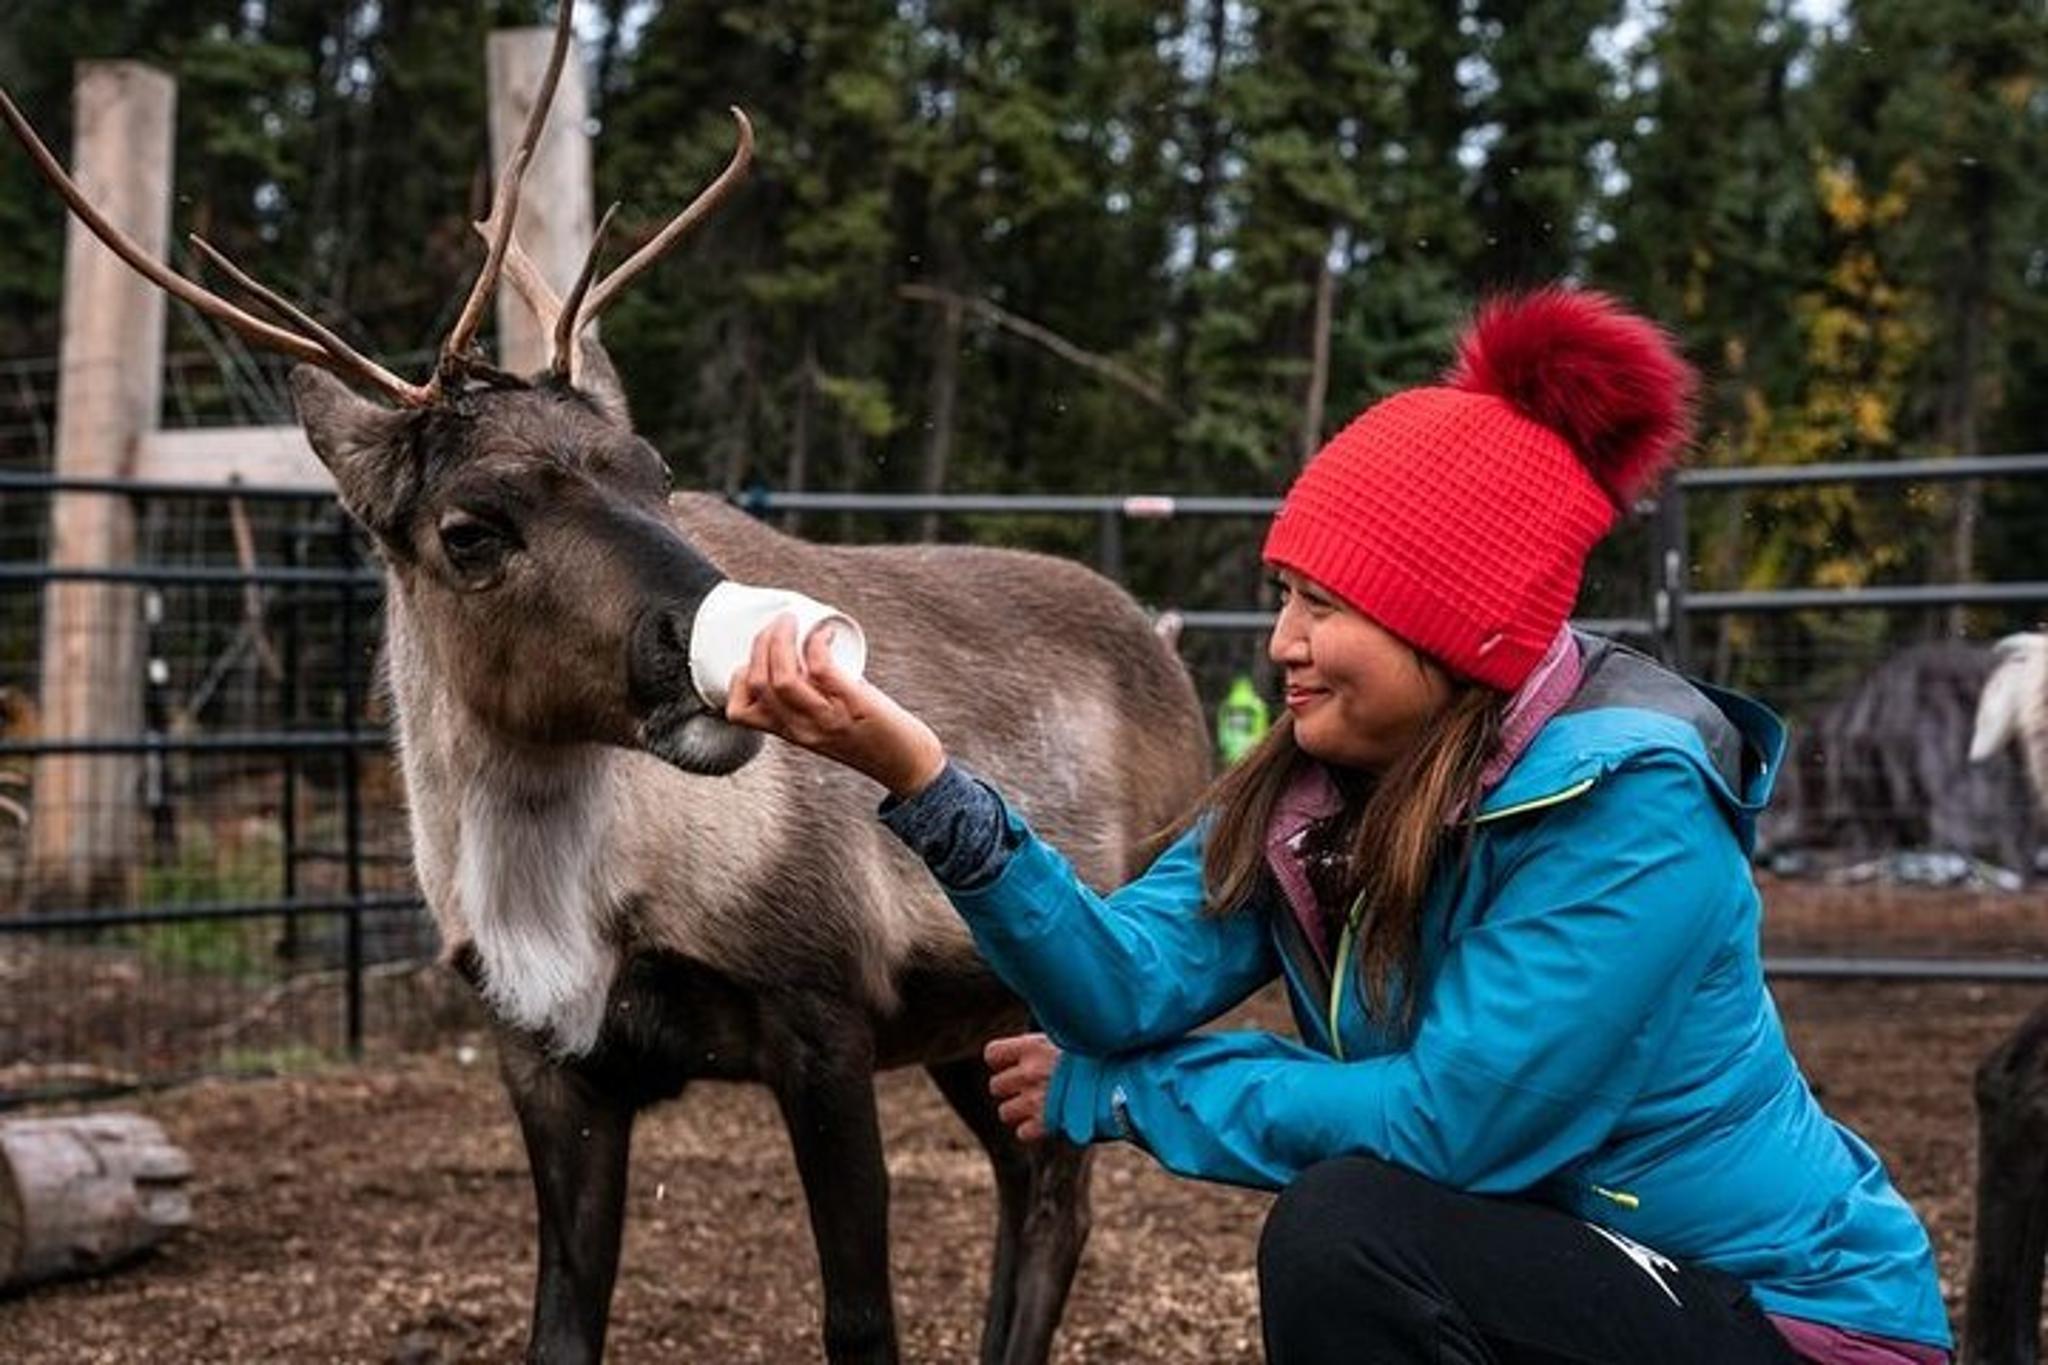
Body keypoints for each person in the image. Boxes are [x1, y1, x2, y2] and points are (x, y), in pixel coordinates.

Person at [723, 287, 1953, 1365]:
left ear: (1448, 624)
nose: (1281, 644)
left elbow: (1445, 1127)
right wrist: (924, 778)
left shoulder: (1631, 810)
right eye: (1283, 596)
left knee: (1351, 1236)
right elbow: (1114, 986)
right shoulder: (1321, 786)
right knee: (1362, 1231)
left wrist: (1124, 1097)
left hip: (1798, 1323)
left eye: (1323, 604)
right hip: (1572, 1267)